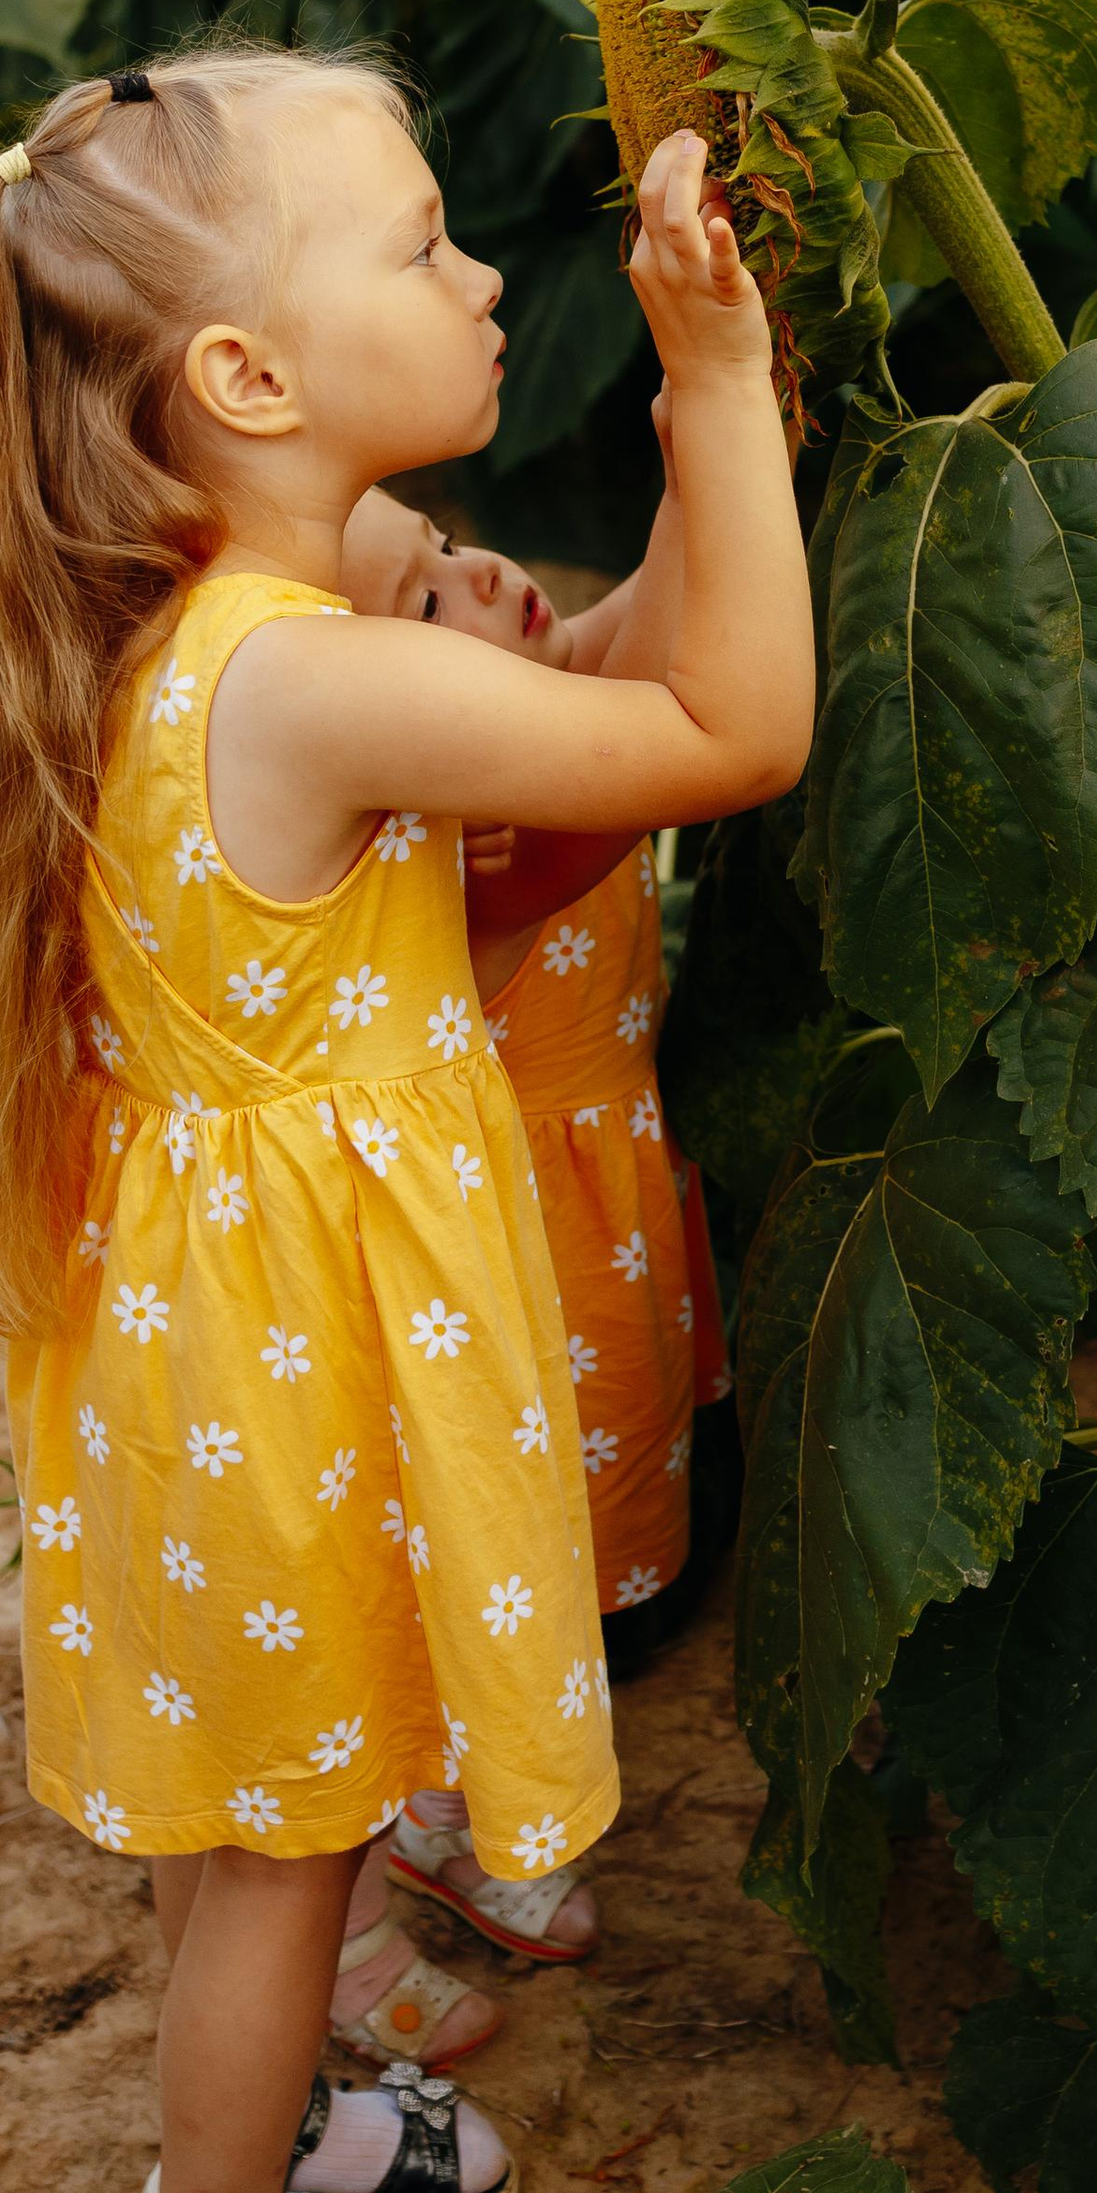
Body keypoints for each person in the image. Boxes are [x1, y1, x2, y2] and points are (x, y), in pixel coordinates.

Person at [0, 48, 809, 2193]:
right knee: (285, 1852)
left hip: (193, 1346)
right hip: (288, 1368)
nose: (481, 274)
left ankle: (276, 2148)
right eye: (415, 244)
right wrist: (717, 378)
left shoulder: (187, 632)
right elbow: (726, 722)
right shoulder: (310, 679)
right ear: (250, 380)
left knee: (237, 1811)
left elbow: (598, 675)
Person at [324, 486, 735, 2071]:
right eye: (427, 605)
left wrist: (705, 420)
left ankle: (455, 1825)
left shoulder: (528, 730)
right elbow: (693, 703)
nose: (486, 572)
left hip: (596, 1231)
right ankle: (352, 1944)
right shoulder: (486, 840)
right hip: (504, 1275)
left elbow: (650, 602)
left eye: (446, 548)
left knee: (535, 1562)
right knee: (430, 1606)